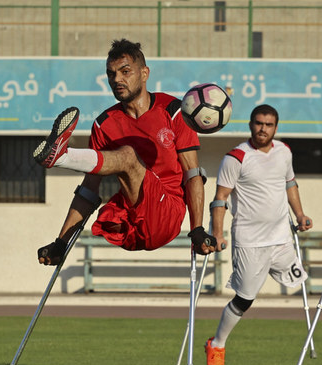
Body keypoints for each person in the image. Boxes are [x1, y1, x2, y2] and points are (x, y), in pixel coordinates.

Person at [32, 39, 216, 265]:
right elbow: (88, 191)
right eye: (111, 74)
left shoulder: (174, 111)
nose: (117, 79)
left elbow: (192, 173)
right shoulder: (104, 124)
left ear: (145, 73)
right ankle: (60, 156)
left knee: (128, 156)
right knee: (113, 186)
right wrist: (61, 243)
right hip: (129, 225)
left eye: (125, 71)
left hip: (165, 214)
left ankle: (62, 157)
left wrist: (197, 229)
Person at [204, 104, 313, 365]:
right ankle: (216, 344)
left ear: (275, 127)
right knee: (245, 299)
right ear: (250, 124)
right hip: (249, 241)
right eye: (259, 123)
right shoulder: (236, 157)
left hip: (281, 239)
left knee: (300, 280)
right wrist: (218, 233)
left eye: (269, 124)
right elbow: (220, 198)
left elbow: (290, 183)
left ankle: (307, 346)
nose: (263, 129)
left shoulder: (284, 152)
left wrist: (300, 214)